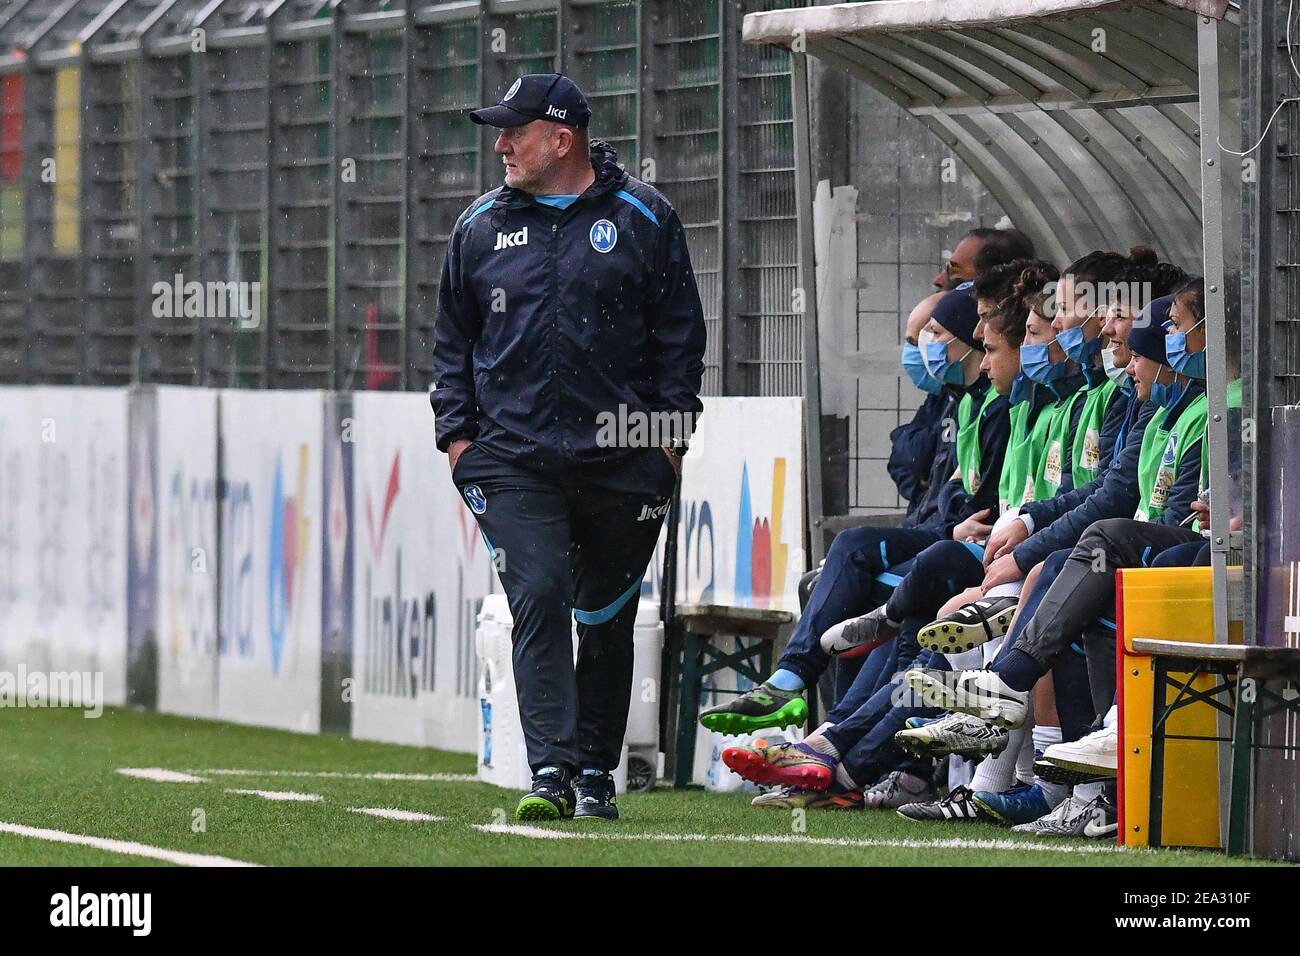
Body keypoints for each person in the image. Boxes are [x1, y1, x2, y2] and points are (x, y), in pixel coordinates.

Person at [431, 74, 706, 821]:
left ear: (561, 138)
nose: (500, 145)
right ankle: (549, 772)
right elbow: (452, 342)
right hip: (512, 461)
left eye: (513, 131)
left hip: (627, 460)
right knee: (540, 594)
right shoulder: (480, 227)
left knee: (606, 616)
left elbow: (681, 337)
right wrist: (457, 440)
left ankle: (594, 774)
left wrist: (669, 445)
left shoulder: (645, 216)